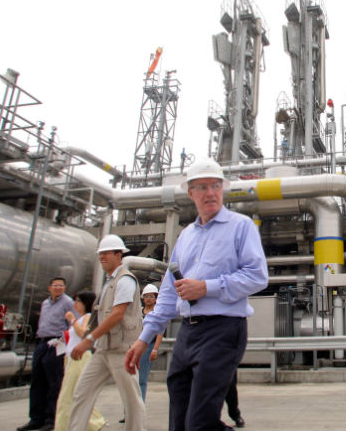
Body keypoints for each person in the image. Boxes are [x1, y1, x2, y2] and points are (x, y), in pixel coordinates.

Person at [125, 157, 268, 431]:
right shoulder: (186, 236)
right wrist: (144, 338)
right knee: (178, 421)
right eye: (202, 187)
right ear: (191, 193)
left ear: (222, 189)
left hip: (223, 330)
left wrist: (206, 287)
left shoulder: (241, 227)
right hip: (187, 334)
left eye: (215, 185)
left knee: (200, 423)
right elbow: (168, 292)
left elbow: (257, 276)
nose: (210, 192)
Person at [67, 234, 145, 431]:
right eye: (100, 254)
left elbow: (117, 314)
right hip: (103, 349)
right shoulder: (109, 282)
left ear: (119, 255)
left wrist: (88, 340)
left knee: (131, 399)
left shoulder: (125, 280)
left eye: (107, 253)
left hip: (121, 350)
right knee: (82, 393)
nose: (102, 257)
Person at [17, 277, 75, 431]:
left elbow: (73, 324)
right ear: (49, 287)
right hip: (42, 342)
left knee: (54, 382)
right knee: (37, 381)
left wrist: (62, 342)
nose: (58, 288)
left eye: (61, 285)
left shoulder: (68, 302)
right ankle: (36, 418)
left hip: (56, 343)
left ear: (65, 287)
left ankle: (51, 419)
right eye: (55, 285)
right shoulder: (45, 303)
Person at [53, 291, 106, 431]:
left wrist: (72, 320)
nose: (75, 304)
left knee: (68, 395)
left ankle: (88, 423)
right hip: (71, 358)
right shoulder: (81, 318)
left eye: (78, 301)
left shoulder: (87, 317)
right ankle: (90, 422)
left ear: (85, 304)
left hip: (80, 359)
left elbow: (84, 334)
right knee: (74, 393)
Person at [137, 283, 163, 402]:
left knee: (142, 379)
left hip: (148, 346)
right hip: (137, 345)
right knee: (132, 379)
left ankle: (139, 405)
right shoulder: (139, 312)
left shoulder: (157, 313)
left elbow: (159, 332)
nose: (148, 299)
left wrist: (155, 349)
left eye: (151, 296)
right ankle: (129, 410)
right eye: (146, 296)